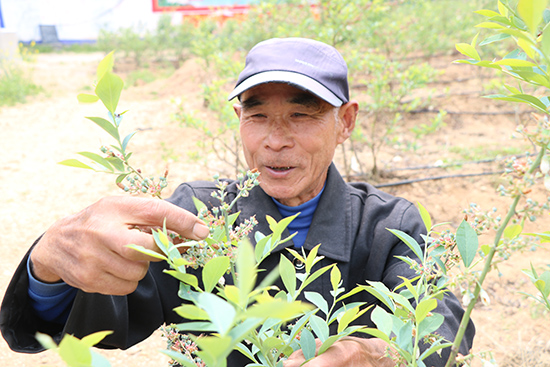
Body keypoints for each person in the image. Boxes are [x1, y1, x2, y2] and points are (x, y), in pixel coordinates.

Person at [0, 37, 474, 366]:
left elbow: (445, 322)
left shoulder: (386, 225)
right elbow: (101, 323)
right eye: (258, 115)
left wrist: (379, 353)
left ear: (346, 122)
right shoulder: (199, 214)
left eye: (301, 115)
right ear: (238, 117)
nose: (275, 140)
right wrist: (49, 268)